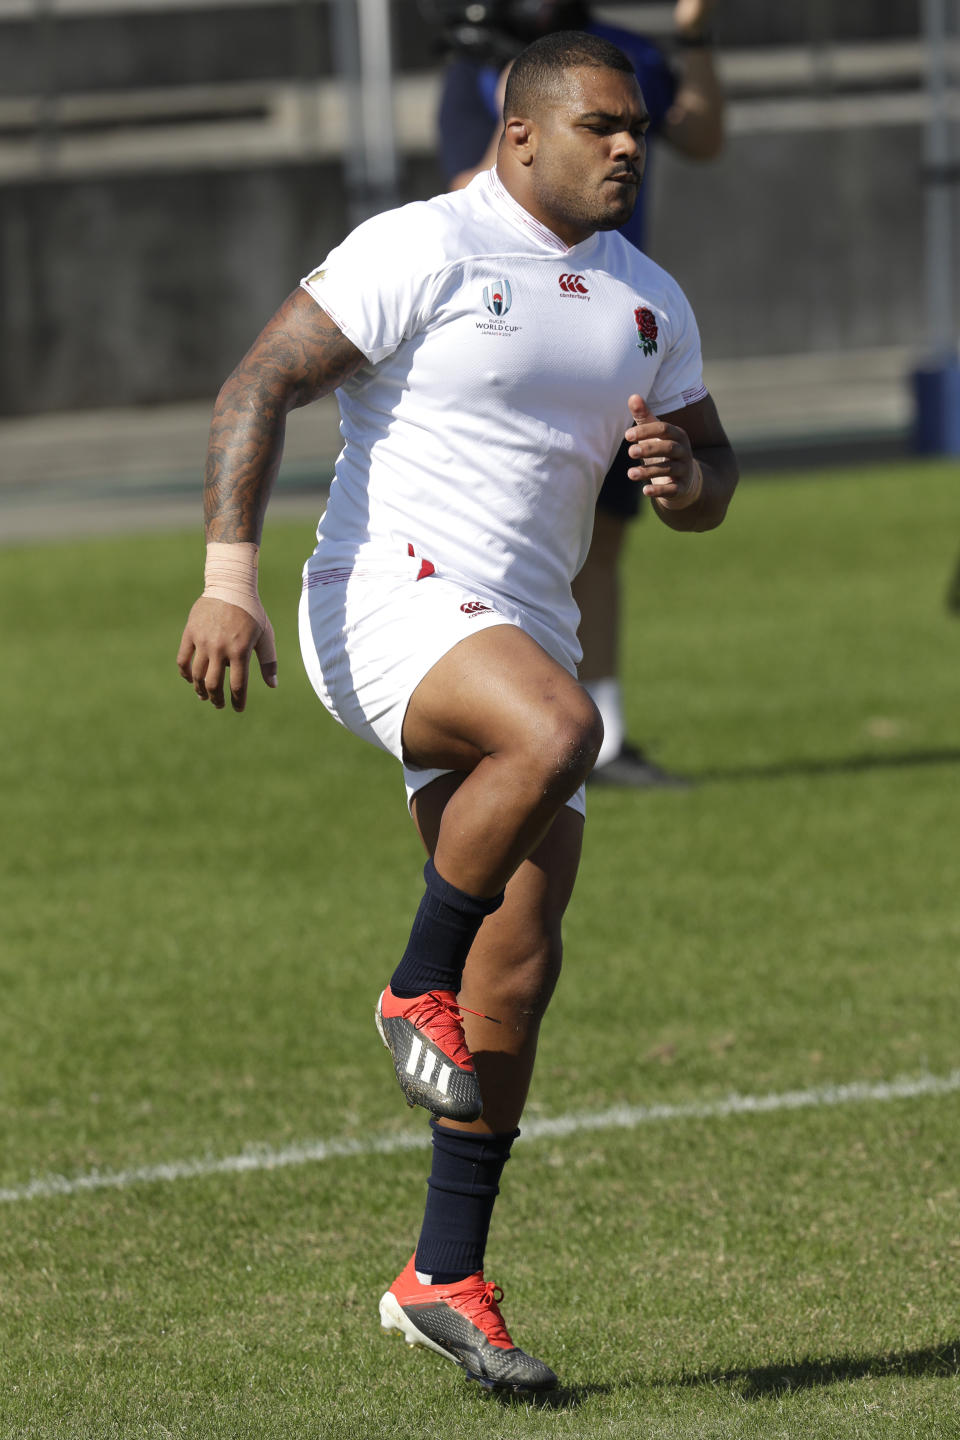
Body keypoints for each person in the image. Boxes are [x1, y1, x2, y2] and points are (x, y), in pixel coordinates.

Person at [177, 30, 738, 1395]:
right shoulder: (418, 247)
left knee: (525, 965)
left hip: (521, 631)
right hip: (381, 599)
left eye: (640, 132)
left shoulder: (648, 296)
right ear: (519, 132)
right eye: (602, 126)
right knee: (561, 731)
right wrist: (225, 583)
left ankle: (445, 1276)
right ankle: (410, 978)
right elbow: (258, 384)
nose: (627, 148)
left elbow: (717, 467)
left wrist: (685, 476)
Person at [434, 0, 725, 786]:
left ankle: (602, 730)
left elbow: (701, 134)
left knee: (608, 532)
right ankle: (497, 713)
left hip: (610, 317)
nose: (623, 143)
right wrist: (512, 92)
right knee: (511, 523)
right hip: (515, 331)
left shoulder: (622, 56)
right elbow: (469, 184)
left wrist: (693, 36)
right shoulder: (481, 67)